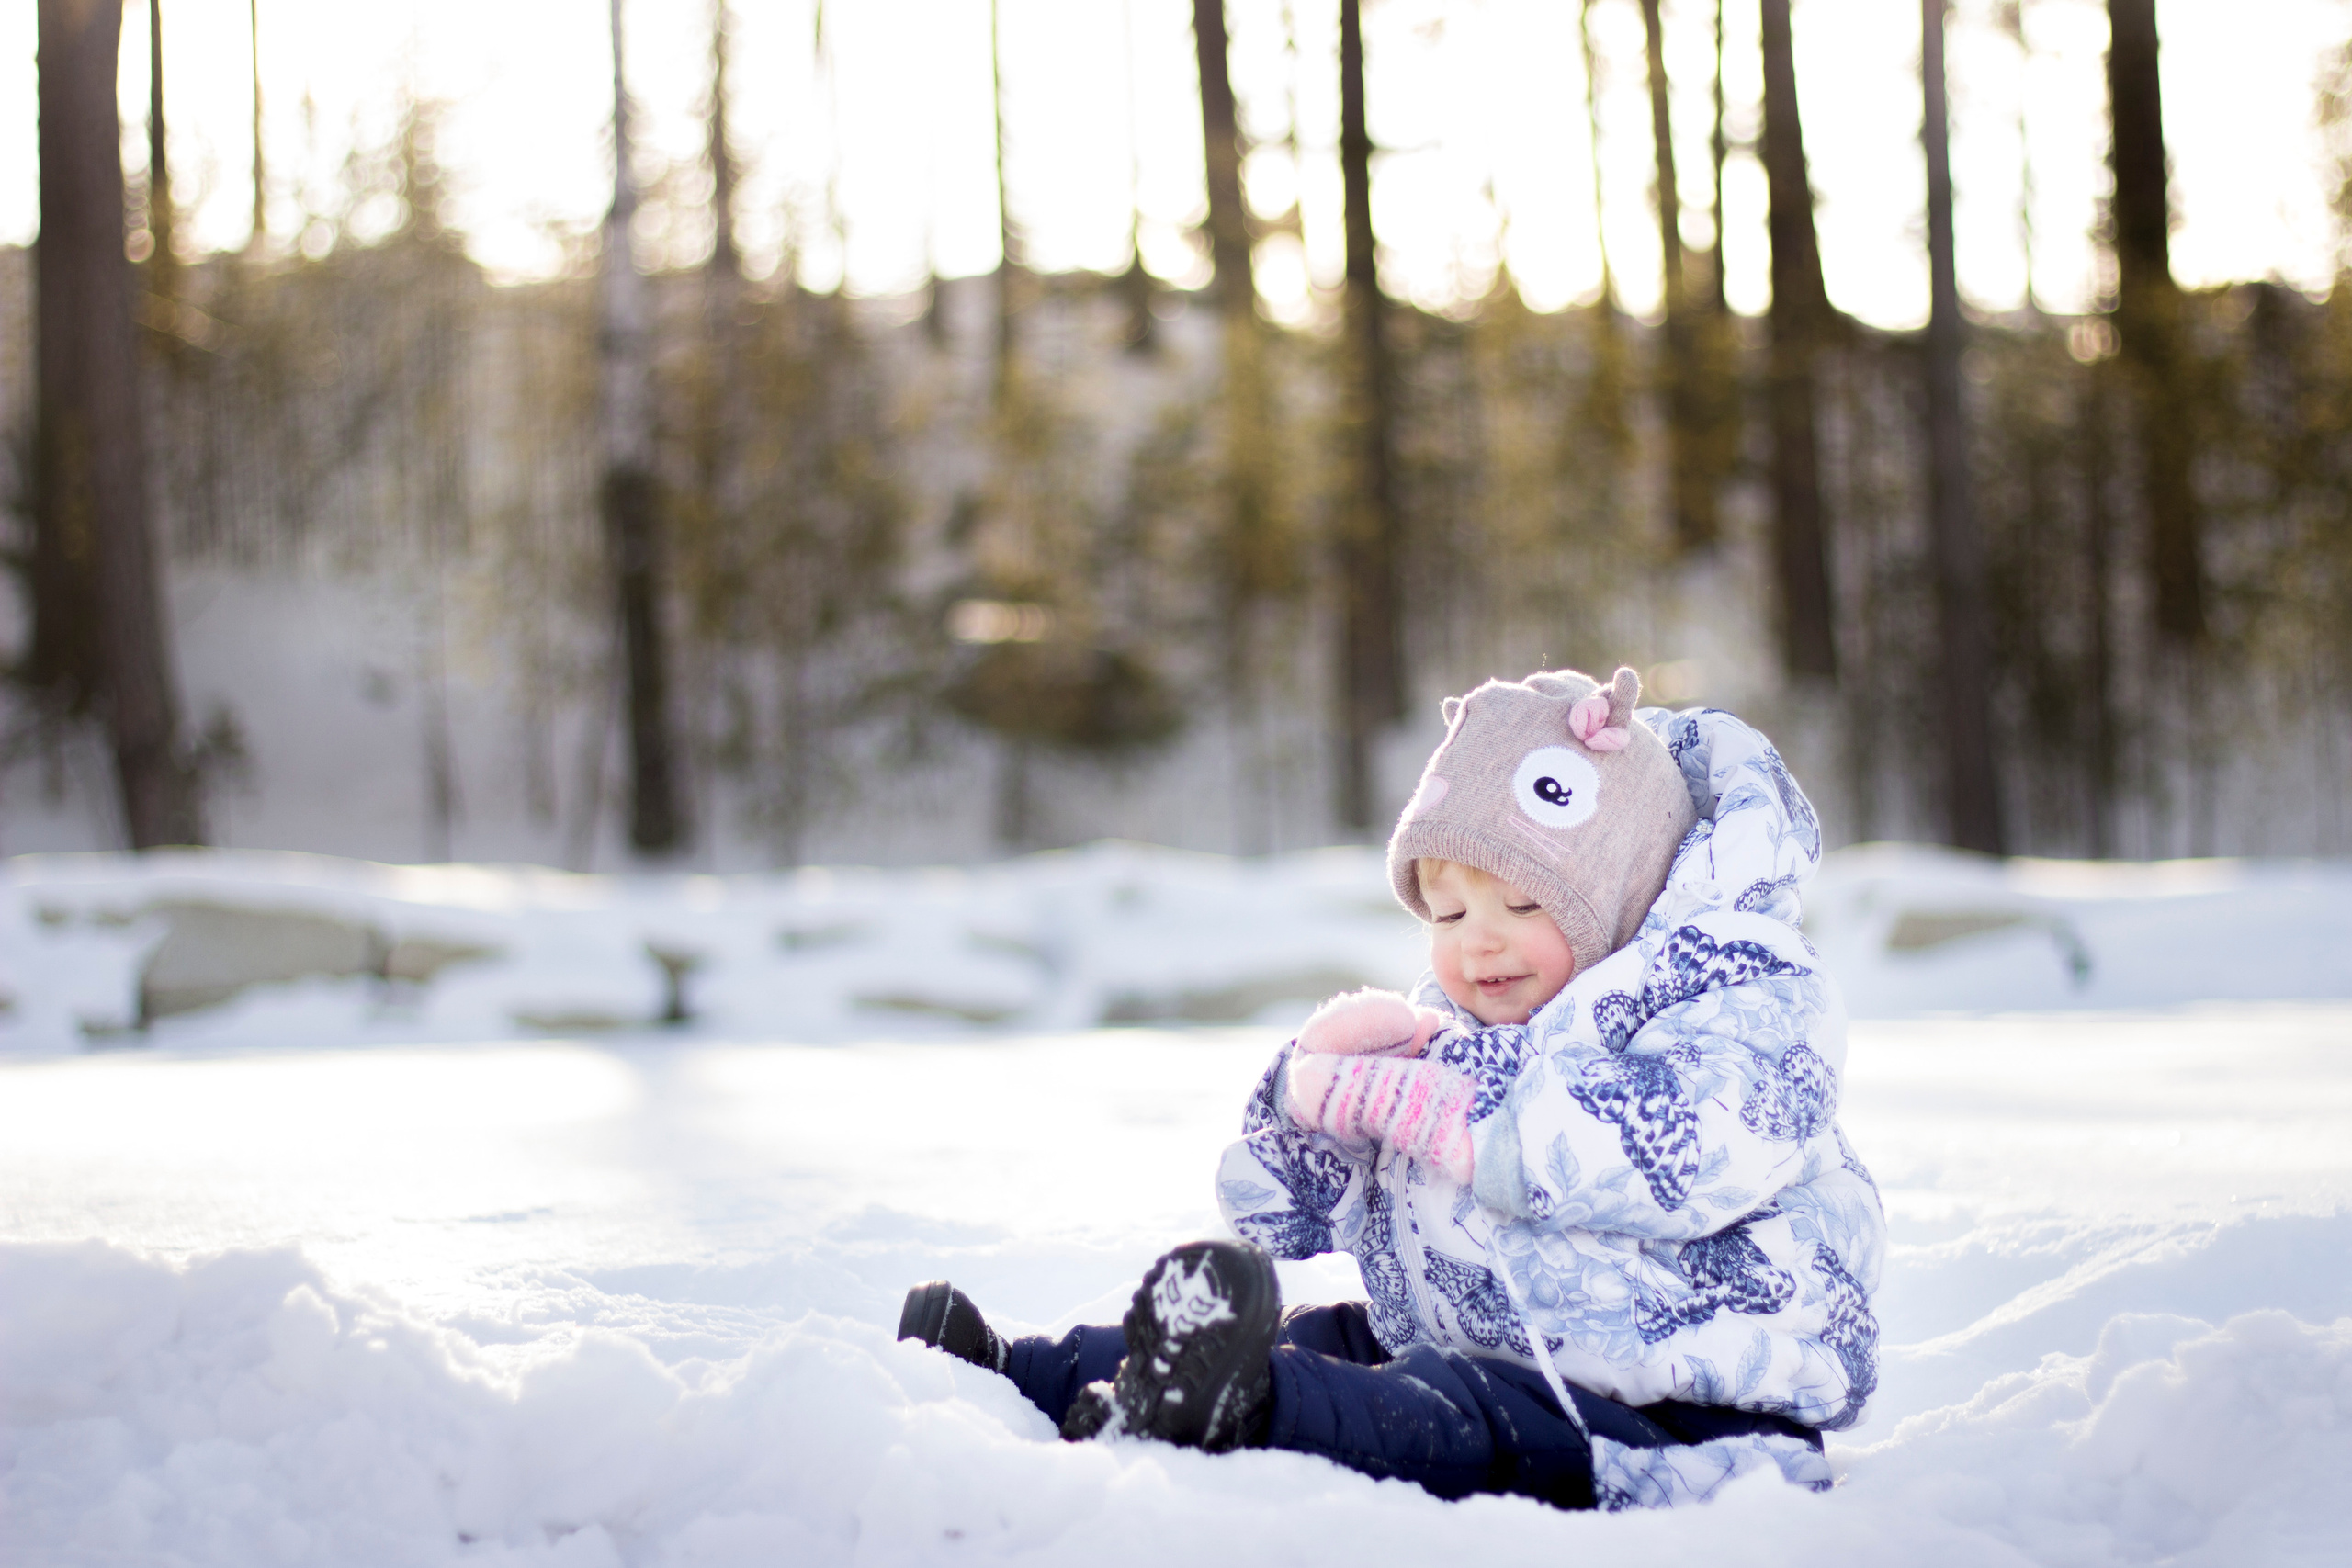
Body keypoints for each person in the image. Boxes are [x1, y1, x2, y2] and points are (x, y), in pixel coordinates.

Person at [899, 666, 1884, 1510]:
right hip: (1492, 1335)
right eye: (1446, 911)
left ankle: (1240, 1408)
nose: (1476, 940)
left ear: (1625, 888)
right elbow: (1276, 1223)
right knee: (1324, 1335)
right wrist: (1308, 1117)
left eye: (1523, 901)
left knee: (1447, 1417)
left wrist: (1455, 1106)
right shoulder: (1461, 1033)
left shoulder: (1748, 994)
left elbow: (1680, 1152)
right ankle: (1026, 1372)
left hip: (1675, 1409)